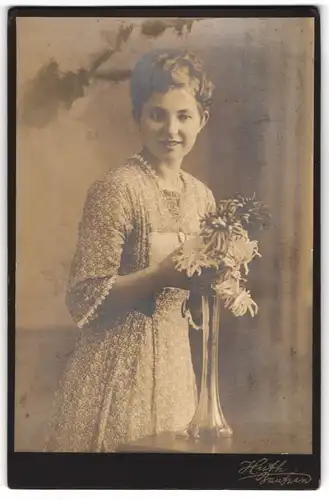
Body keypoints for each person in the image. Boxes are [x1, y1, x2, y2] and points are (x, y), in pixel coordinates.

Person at [44, 48, 218, 452]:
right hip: (116, 370)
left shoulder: (203, 198)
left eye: (183, 116)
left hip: (177, 371)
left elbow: (193, 306)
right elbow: (83, 295)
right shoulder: (116, 188)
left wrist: (215, 285)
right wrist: (159, 276)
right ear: (138, 117)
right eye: (157, 114)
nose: (170, 129)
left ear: (202, 120)